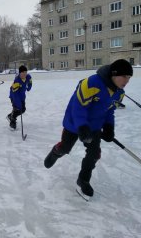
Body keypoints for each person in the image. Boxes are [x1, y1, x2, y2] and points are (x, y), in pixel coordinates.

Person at [44, 59, 133, 198]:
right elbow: (78, 106)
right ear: (114, 74)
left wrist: (109, 127)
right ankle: (56, 152)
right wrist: (82, 126)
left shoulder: (119, 93)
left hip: (95, 126)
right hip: (74, 122)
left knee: (94, 154)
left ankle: (83, 179)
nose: (127, 81)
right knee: (65, 148)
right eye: (124, 76)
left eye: (129, 77)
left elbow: (110, 111)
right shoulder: (91, 83)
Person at [6, 65, 32, 129]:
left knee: (23, 109)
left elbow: (30, 82)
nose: (24, 74)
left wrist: (29, 87)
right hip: (14, 97)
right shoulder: (17, 81)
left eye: (25, 72)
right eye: (23, 73)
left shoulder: (28, 77)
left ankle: (10, 116)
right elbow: (15, 94)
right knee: (17, 109)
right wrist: (18, 103)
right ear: (20, 73)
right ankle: (12, 122)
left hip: (22, 96)